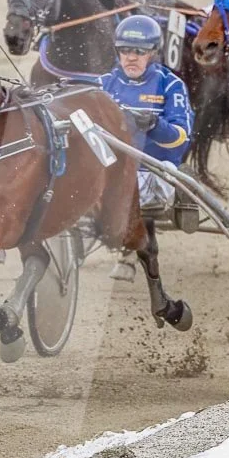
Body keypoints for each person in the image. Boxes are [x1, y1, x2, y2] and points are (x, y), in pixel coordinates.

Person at [96, 15, 193, 281]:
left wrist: (154, 125)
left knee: (130, 190)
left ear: (153, 53)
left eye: (139, 52)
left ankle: (130, 247)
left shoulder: (170, 85)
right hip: (109, 172)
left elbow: (181, 138)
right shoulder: (103, 84)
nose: (131, 57)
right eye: (125, 50)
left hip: (154, 172)